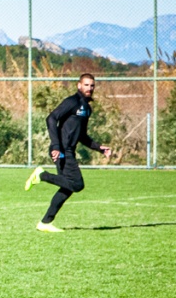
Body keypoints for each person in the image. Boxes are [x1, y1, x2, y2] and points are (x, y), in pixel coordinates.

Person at [25, 73, 112, 232]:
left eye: (92, 85)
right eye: (86, 85)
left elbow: (82, 136)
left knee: (67, 188)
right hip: (62, 150)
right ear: (79, 85)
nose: (89, 88)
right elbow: (51, 118)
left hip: (68, 150)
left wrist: (99, 148)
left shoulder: (87, 109)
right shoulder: (71, 102)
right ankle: (41, 175)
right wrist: (56, 146)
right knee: (77, 184)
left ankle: (45, 222)